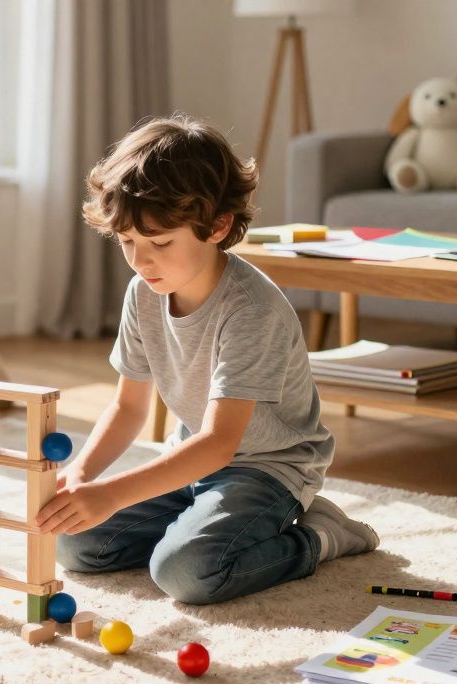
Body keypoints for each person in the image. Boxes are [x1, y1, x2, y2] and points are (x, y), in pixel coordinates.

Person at [35, 114, 378, 605]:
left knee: (186, 573)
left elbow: (220, 444)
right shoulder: (143, 292)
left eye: (159, 243)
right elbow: (129, 408)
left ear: (217, 226)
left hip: (268, 468)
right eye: (128, 242)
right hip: (190, 461)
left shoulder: (251, 309)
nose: (140, 260)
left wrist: (112, 496)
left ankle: (320, 535)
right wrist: (85, 474)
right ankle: (209, 524)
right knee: (76, 542)